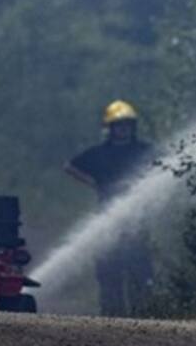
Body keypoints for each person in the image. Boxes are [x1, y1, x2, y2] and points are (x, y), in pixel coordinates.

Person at [64, 100, 156, 316]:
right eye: (118, 125)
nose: (123, 130)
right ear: (110, 128)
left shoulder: (144, 150)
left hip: (135, 223)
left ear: (133, 127)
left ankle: (143, 316)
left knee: (140, 271)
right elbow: (69, 167)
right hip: (106, 221)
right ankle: (111, 318)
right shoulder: (99, 153)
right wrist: (95, 183)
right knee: (109, 273)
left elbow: (165, 162)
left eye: (127, 125)